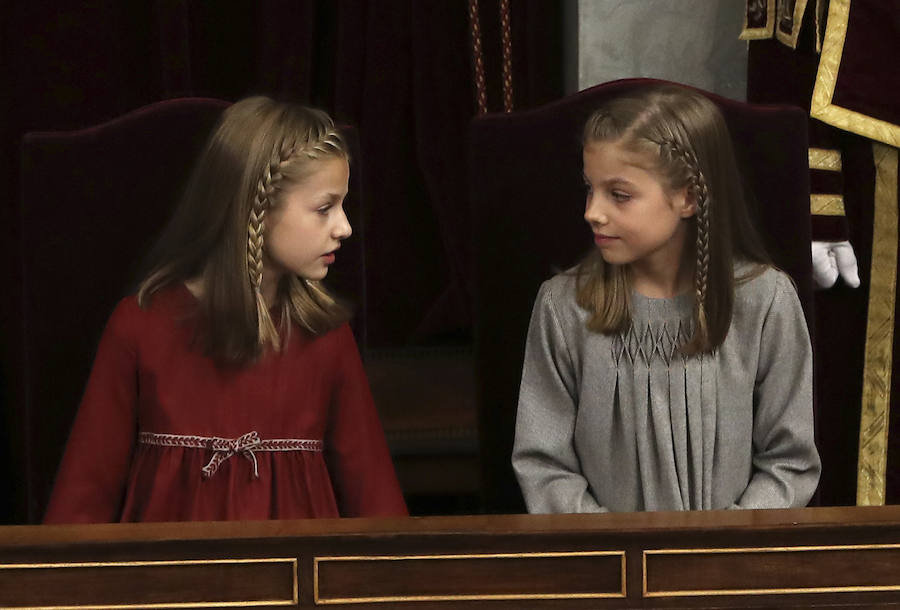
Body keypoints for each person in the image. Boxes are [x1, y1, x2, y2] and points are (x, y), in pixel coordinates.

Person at [44, 96, 407, 523]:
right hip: (167, 585)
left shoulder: (325, 337)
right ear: (257, 207)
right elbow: (81, 504)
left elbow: (378, 507)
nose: (345, 227)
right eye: (324, 208)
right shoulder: (139, 327)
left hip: (295, 586)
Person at [512, 84, 821, 513]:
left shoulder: (765, 303)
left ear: (688, 198)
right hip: (609, 569)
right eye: (590, 189)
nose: (592, 212)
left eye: (619, 194)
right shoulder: (564, 308)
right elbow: (544, 465)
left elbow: (789, 461)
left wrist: (718, 551)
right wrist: (620, 552)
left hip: (726, 569)